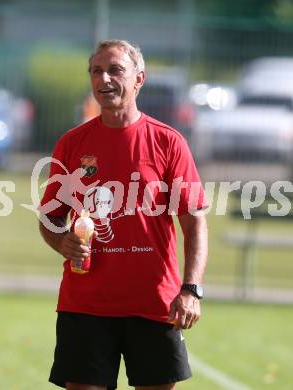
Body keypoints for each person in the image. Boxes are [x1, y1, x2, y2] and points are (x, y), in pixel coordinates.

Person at [39, 39, 208, 390]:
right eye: (96, 71)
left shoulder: (168, 142)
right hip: (85, 304)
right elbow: (50, 218)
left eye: (115, 70)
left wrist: (191, 289)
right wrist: (63, 243)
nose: (104, 79)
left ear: (139, 79)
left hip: (154, 303)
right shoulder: (72, 144)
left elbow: (194, 222)